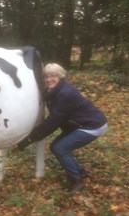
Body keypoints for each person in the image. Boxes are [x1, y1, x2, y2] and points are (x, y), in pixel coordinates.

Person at [17, 63, 108, 192]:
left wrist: (29, 139)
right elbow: (43, 99)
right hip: (79, 123)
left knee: (60, 148)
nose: (49, 79)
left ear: (60, 77)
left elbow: (52, 122)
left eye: (53, 76)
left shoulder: (66, 94)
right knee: (56, 147)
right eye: (46, 76)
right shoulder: (52, 91)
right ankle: (79, 170)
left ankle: (77, 180)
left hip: (92, 126)